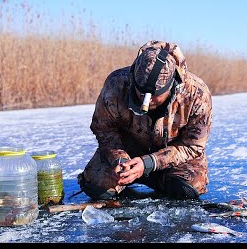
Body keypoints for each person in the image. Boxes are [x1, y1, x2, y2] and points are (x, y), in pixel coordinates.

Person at [77, 40, 212, 200]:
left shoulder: (197, 94)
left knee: (188, 188)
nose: (146, 102)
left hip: (172, 157)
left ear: (171, 86)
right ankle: (126, 178)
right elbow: (104, 129)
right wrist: (119, 160)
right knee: (96, 187)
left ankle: (163, 180)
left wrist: (149, 163)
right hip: (129, 151)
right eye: (140, 92)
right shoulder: (116, 85)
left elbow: (192, 147)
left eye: (155, 95)